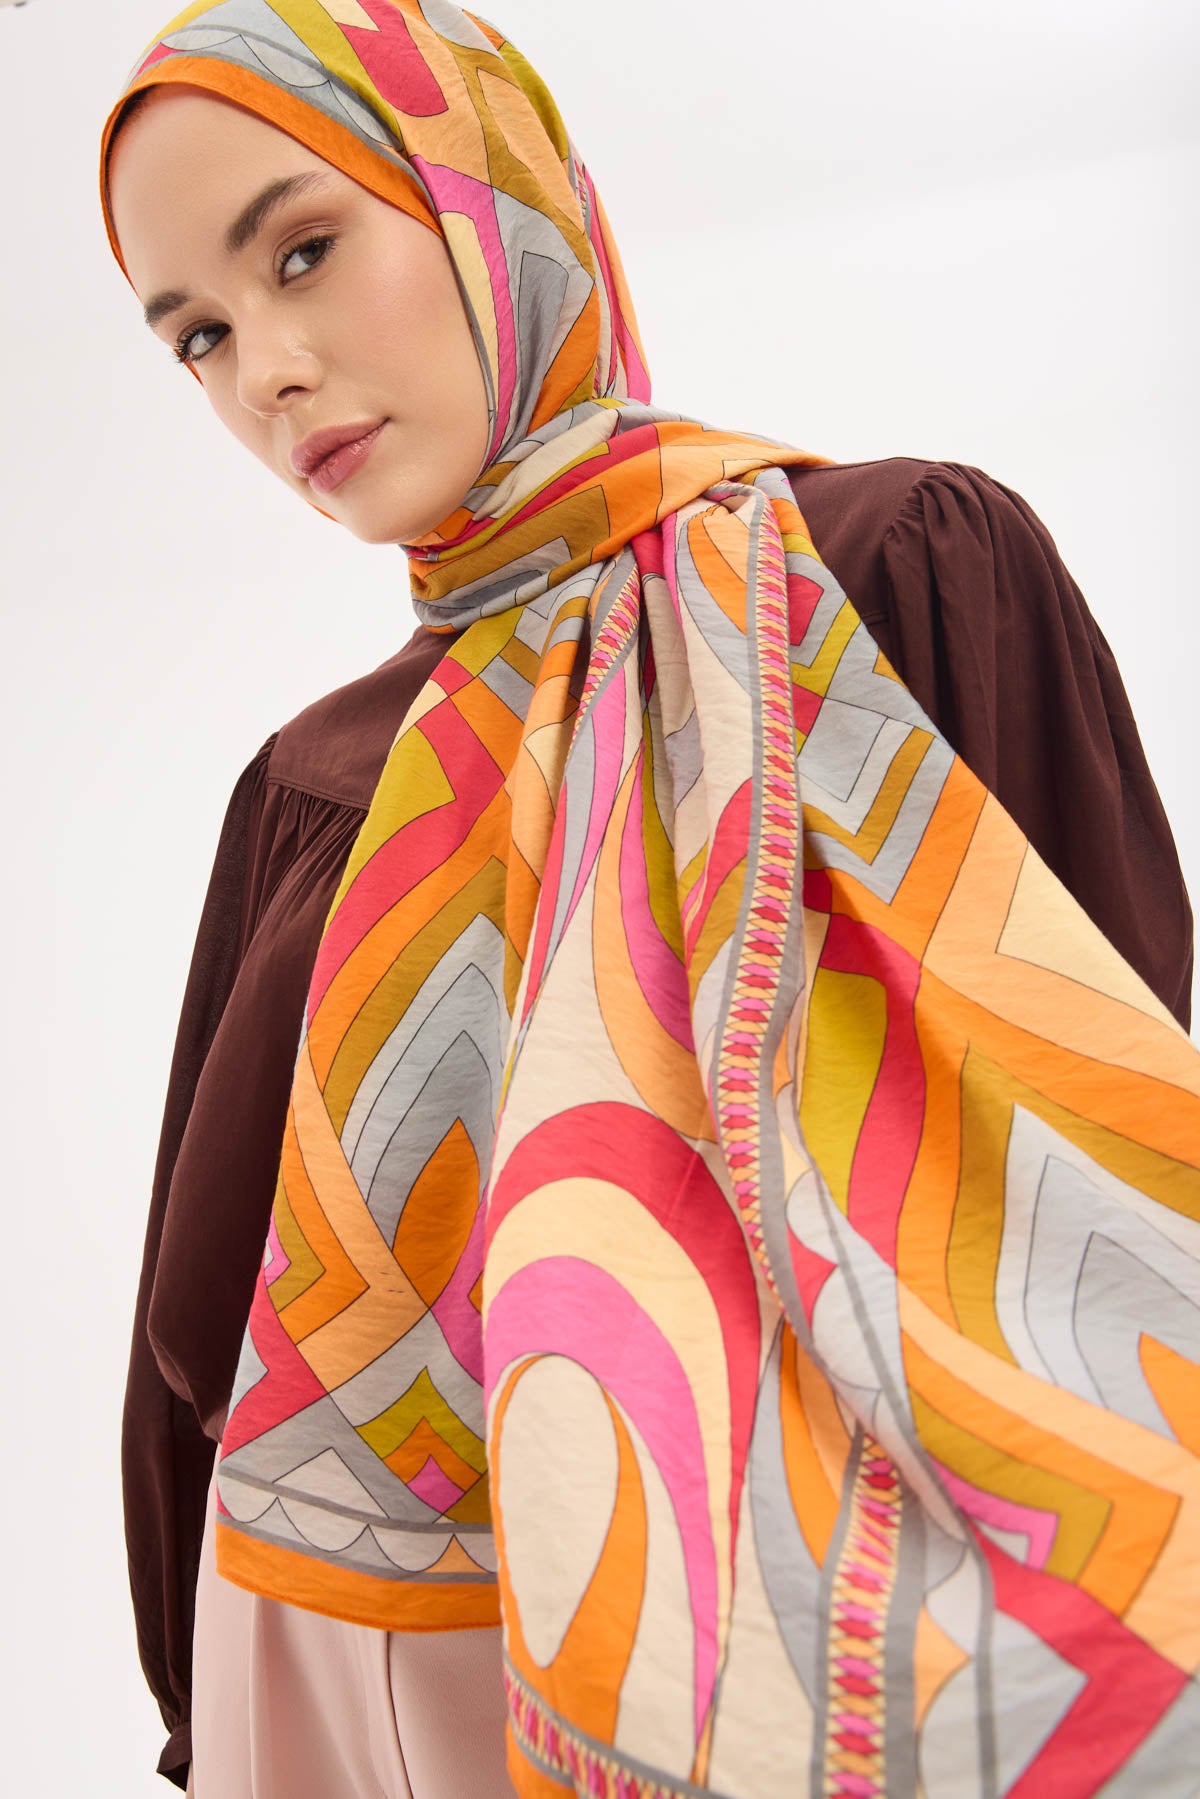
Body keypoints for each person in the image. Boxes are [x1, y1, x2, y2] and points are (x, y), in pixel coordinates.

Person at [101, 4, 1200, 1796]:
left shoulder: (885, 573)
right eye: (199, 337)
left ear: (492, 200)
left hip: (835, 1666)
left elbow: (1094, 1189)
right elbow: (188, 1369)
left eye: (302, 252)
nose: (266, 374)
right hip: (333, 1681)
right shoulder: (307, 790)